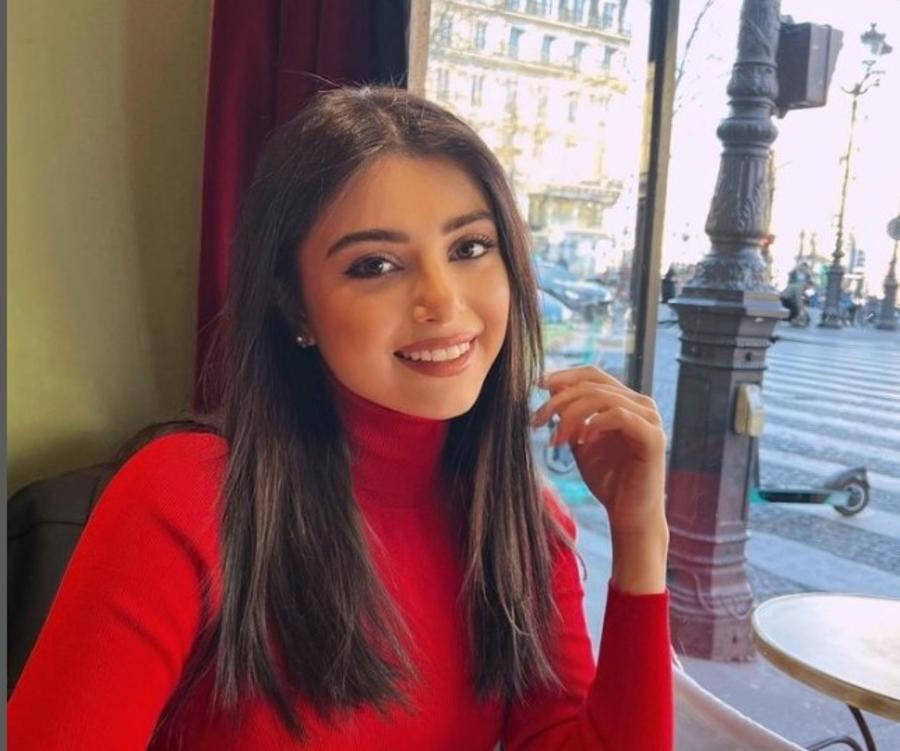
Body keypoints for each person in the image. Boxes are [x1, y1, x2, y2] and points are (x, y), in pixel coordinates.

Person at [8, 86, 673, 750]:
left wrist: (641, 532)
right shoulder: (185, 497)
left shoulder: (524, 525)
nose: (442, 301)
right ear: (295, 306)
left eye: (470, 247)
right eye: (375, 265)